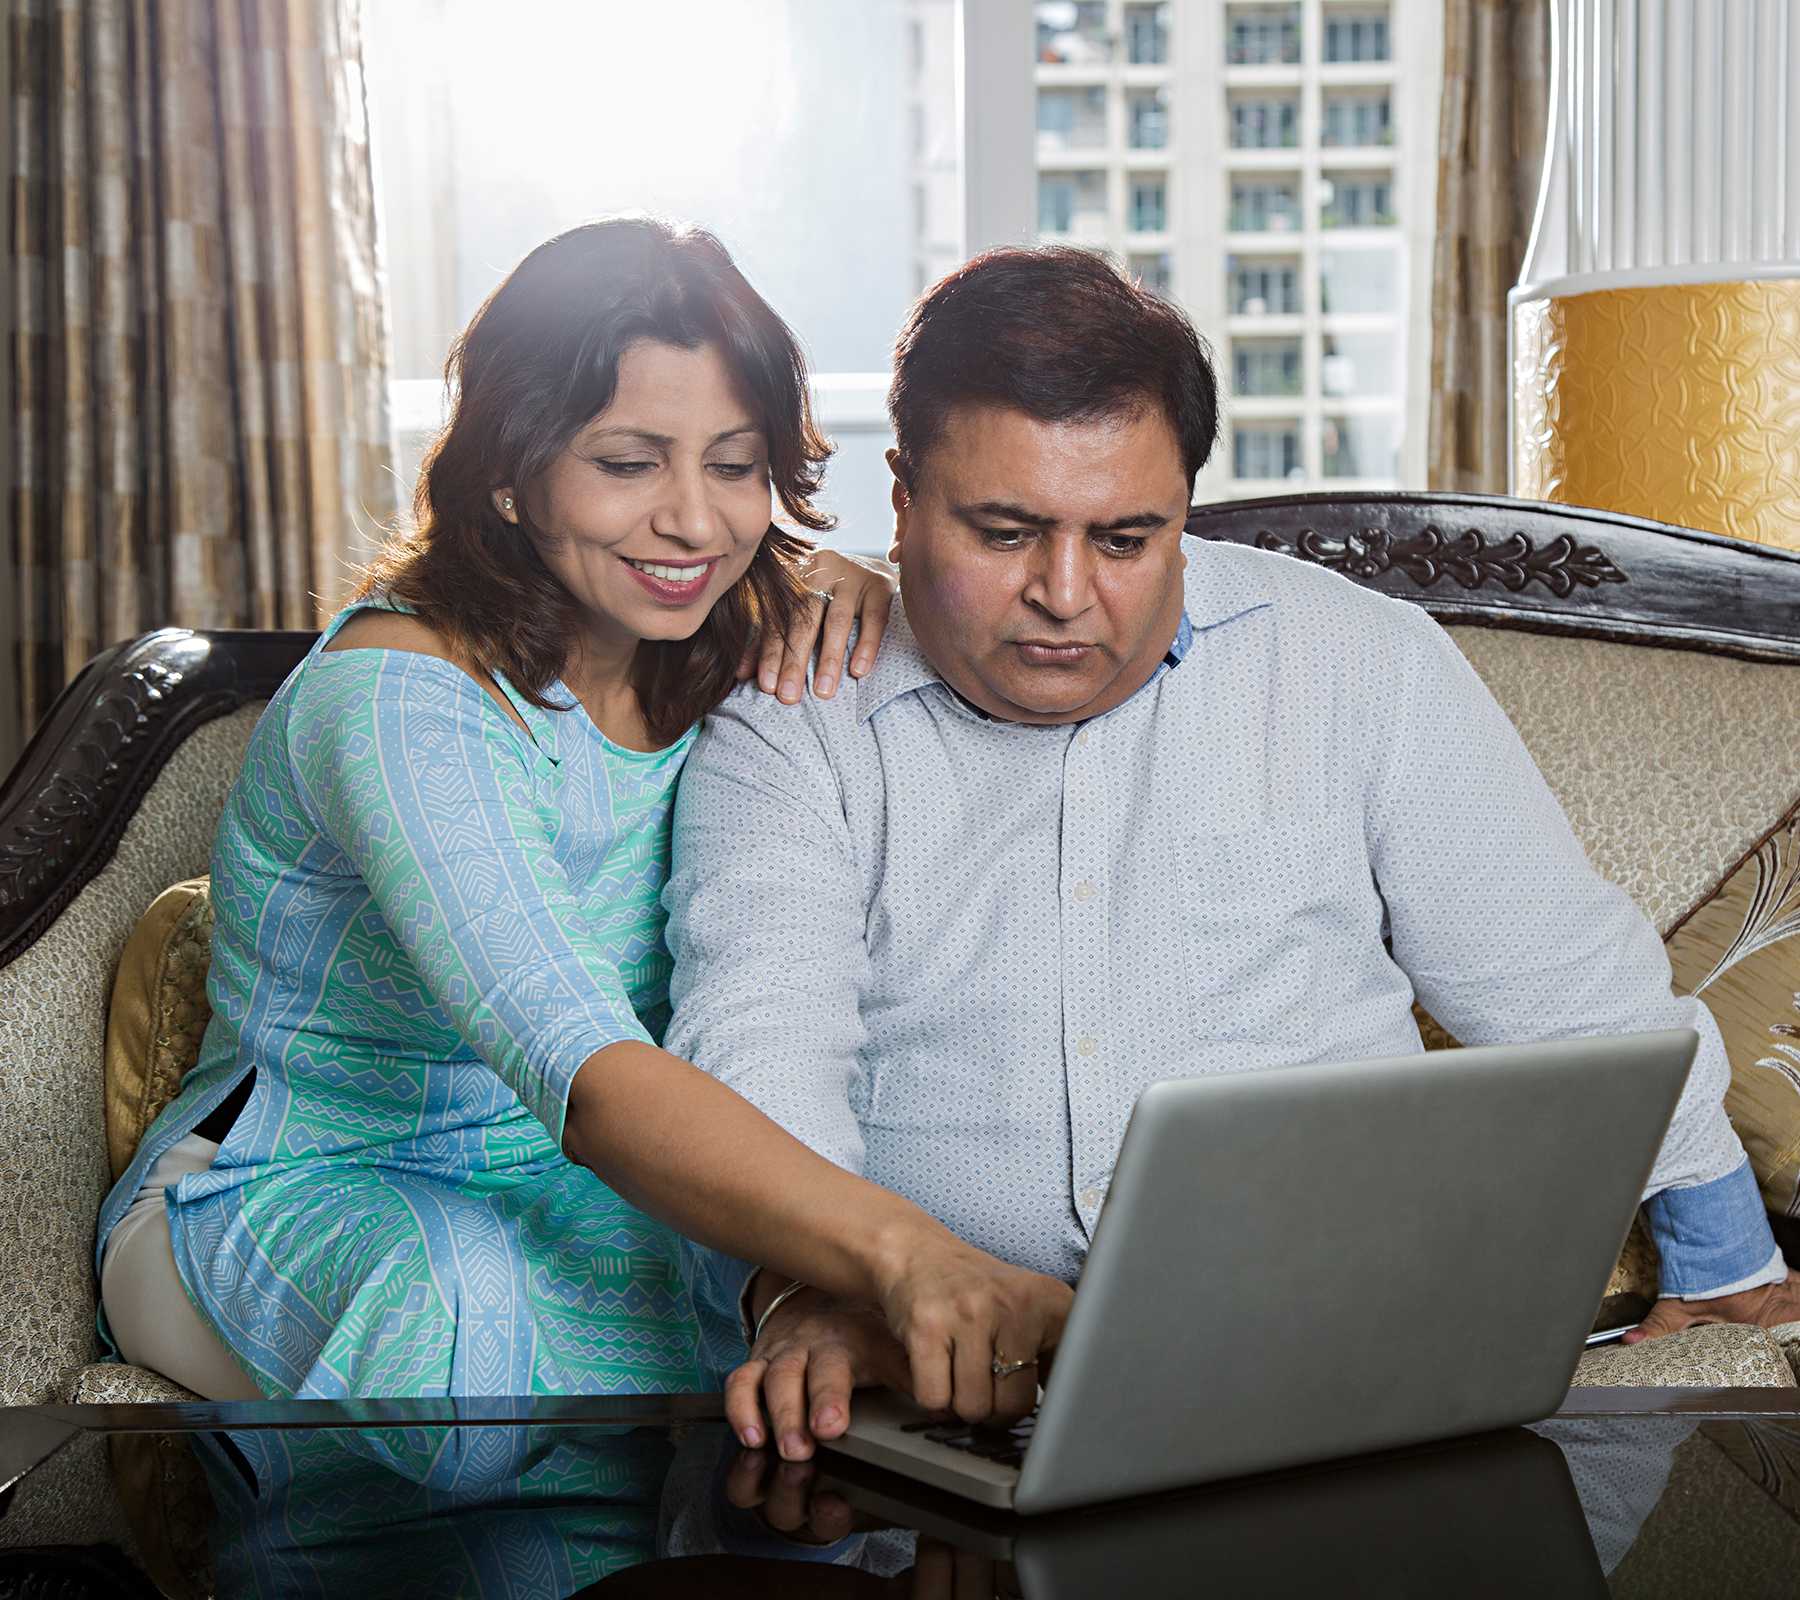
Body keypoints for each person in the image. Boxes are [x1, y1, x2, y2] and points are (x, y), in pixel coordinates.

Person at [663, 245, 1800, 1459]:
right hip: (937, 1388)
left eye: (1126, 538)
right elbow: (757, 1042)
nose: (1065, 593)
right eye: (1005, 532)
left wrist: (1729, 1258)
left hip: (1354, 1385)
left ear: (1185, 510)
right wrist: (808, 1288)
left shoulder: (1364, 660)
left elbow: (1567, 987)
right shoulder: (789, 707)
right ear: (901, 496)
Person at [94, 218, 1072, 1403]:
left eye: (734, 463)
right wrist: (917, 1258)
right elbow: (596, 1076)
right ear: (509, 470)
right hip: (290, 1197)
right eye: (627, 463)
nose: (694, 523)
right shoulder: (401, 698)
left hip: (585, 1211)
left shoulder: (728, 627)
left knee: (795, 1370)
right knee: (469, 1331)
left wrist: (841, 573)